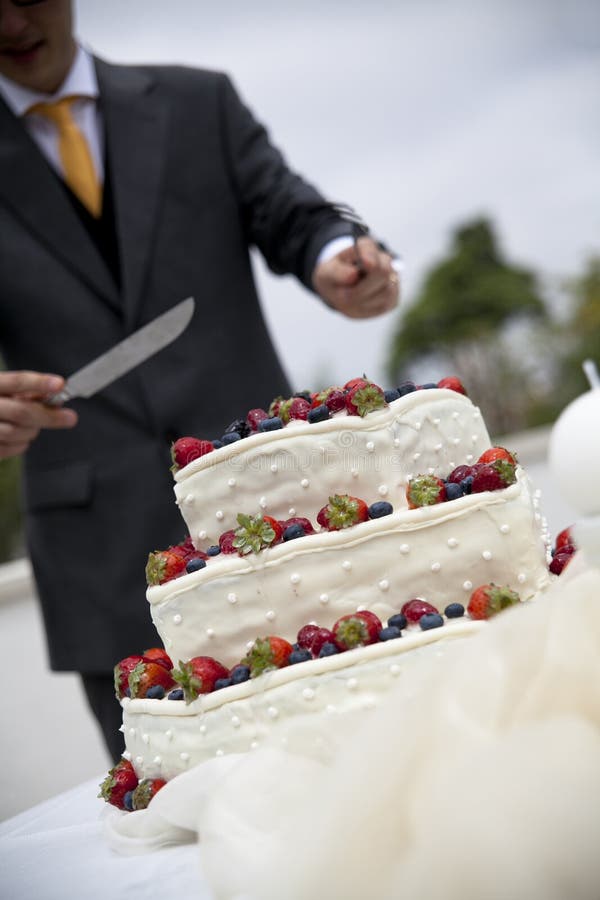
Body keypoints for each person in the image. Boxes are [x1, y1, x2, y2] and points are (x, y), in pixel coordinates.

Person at [0, 0, 400, 762]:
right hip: (101, 559)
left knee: (354, 756)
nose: (12, 20)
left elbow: (296, 216)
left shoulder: (197, 101)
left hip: (275, 514)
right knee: (168, 807)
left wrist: (338, 258)